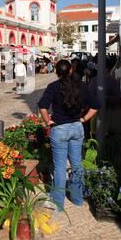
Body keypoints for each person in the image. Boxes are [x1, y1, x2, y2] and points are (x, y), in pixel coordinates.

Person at [38, 59, 100, 211]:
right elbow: (96, 105)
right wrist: (84, 119)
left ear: (57, 72)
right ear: (71, 70)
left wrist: (47, 121)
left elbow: (42, 105)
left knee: (59, 167)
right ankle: (77, 197)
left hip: (59, 129)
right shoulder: (82, 86)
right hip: (76, 128)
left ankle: (58, 203)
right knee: (77, 163)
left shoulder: (53, 87)